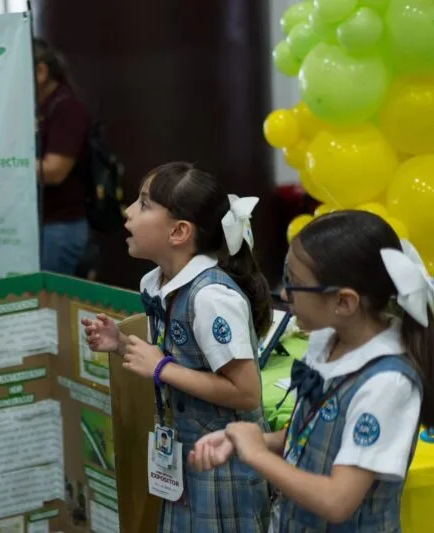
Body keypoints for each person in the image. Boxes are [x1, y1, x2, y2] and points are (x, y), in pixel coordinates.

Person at [189, 210, 434, 532]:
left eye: (295, 283)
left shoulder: (387, 383)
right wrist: (251, 440)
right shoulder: (328, 341)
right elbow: (310, 434)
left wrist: (257, 454)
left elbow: (338, 501)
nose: (285, 294)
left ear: (345, 302)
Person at [83, 162, 273, 531]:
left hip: (226, 464)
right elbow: (176, 358)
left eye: (144, 204)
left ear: (179, 231)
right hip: (187, 456)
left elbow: (247, 393)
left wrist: (161, 368)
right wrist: (122, 344)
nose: (128, 213)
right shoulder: (156, 284)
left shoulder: (212, 297)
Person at [34, 38, 91, 276]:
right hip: (44, 225)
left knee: (53, 307)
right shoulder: (40, 107)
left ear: (41, 71)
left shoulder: (65, 107)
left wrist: (8, 163)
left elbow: (55, 171)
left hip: (60, 228)